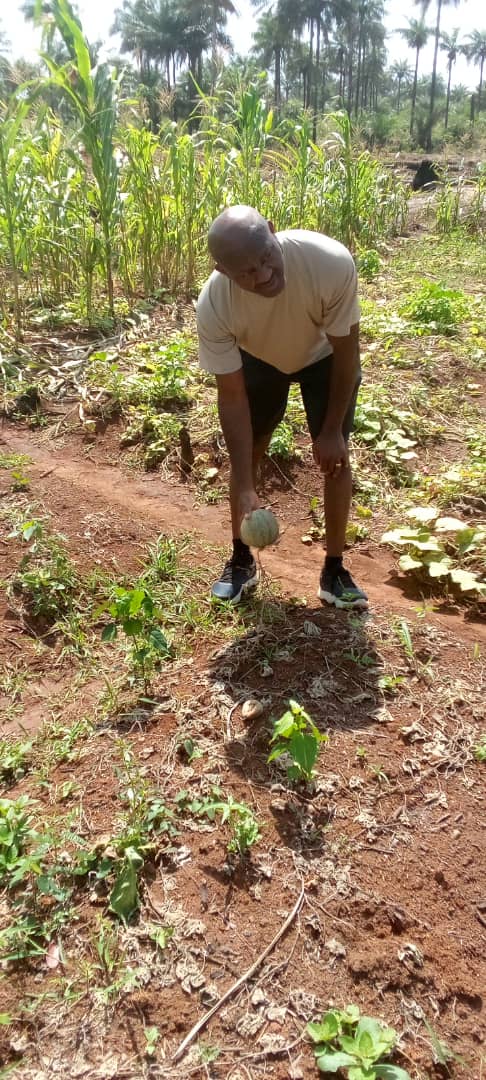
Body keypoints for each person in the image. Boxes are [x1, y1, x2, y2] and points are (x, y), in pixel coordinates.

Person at [196, 205, 368, 610]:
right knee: (248, 455)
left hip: (325, 357)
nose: (264, 274)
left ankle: (335, 570)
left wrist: (330, 432)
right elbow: (232, 397)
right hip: (258, 356)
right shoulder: (215, 305)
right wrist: (243, 481)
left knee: (336, 458)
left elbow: (348, 357)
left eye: (266, 257)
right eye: (247, 273)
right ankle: (241, 561)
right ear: (223, 271)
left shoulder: (327, 262)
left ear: (274, 231)